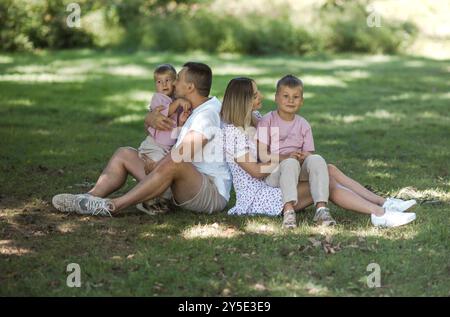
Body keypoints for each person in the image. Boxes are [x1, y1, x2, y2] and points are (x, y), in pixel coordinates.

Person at [221, 77, 417, 228]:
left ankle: (386, 203)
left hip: (277, 178)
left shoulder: (254, 117)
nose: (260, 96)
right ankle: (379, 214)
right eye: (255, 95)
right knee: (326, 183)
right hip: (259, 195)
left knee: (327, 169)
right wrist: (286, 158)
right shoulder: (232, 134)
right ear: (244, 101)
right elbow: (255, 171)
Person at [52, 62, 232, 216]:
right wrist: (150, 118)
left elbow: (183, 154)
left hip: (209, 190)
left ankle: (112, 206)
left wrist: (158, 165)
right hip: (179, 181)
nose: (173, 83)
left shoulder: (207, 114)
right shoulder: (190, 107)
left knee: (175, 161)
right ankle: (89, 197)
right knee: (124, 154)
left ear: (190, 87)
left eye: (177, 79)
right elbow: (154, 126)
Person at [257, 75, 333, 228]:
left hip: (297, 168)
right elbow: (262, 155)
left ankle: (321, 209)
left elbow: (309, 155)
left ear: (302, 101)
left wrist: (306, 156)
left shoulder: (303, 124)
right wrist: (287, 157)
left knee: (317, 159)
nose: (290, 100)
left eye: (295, 97)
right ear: (276, 98)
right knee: (290, 162)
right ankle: (289, 211)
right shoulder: (268, 120)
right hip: (273, 172)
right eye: (285, 96)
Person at [136, 64, 191, 214]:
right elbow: (164, 114)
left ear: (175, 82)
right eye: (159, 82)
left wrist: (182, 120)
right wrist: (178, 103)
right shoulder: (158, 98)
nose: (164, 84)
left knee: (165, 172)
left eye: (168, 80)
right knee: (159, 171)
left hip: (166, 147)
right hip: (154, 145)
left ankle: (158, 200)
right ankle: (145, 200)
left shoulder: (175, 99)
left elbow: (176, 127)